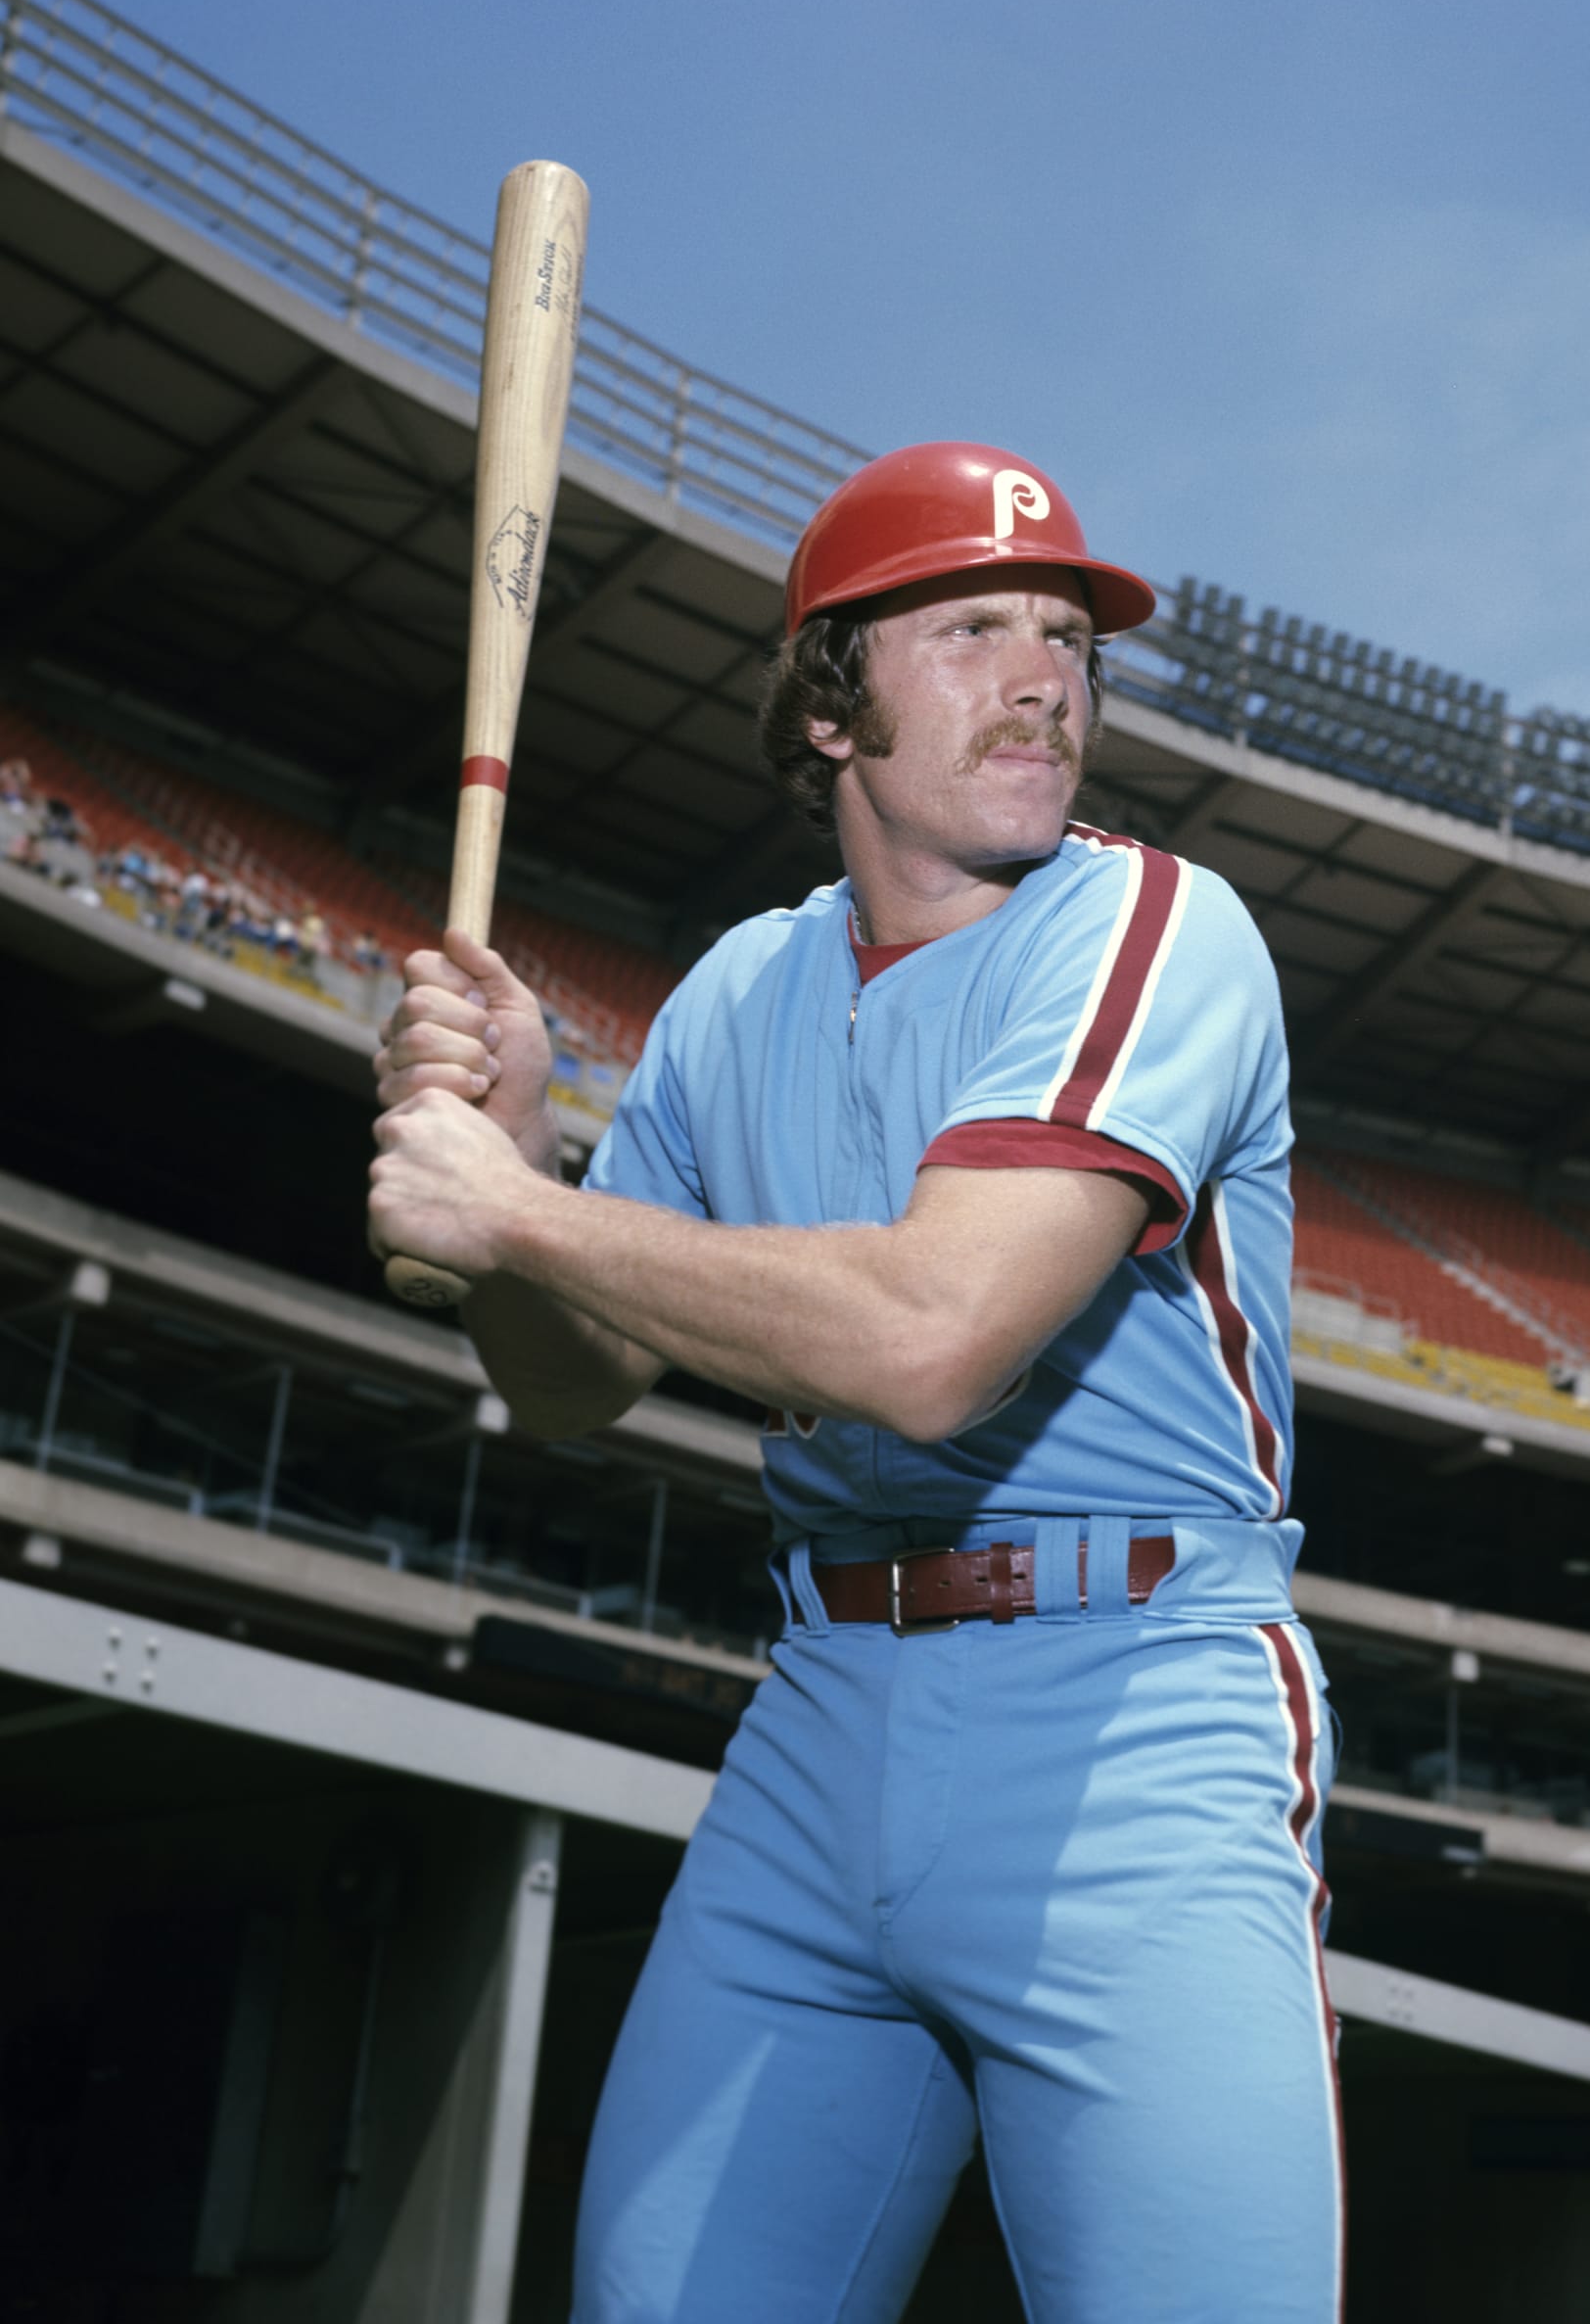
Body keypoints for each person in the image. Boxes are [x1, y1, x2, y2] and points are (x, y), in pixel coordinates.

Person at [369, 442, 1341, 2323]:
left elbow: (928, 1343)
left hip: (1131, 1720)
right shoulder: (738, 990)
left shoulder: (1153, 925)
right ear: (831, 704)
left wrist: (526, 1217)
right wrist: (513, 1162)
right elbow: (571, 1383)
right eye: (972, 629)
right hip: (819, 1715)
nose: (1044, 674)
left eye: (1065, 635)